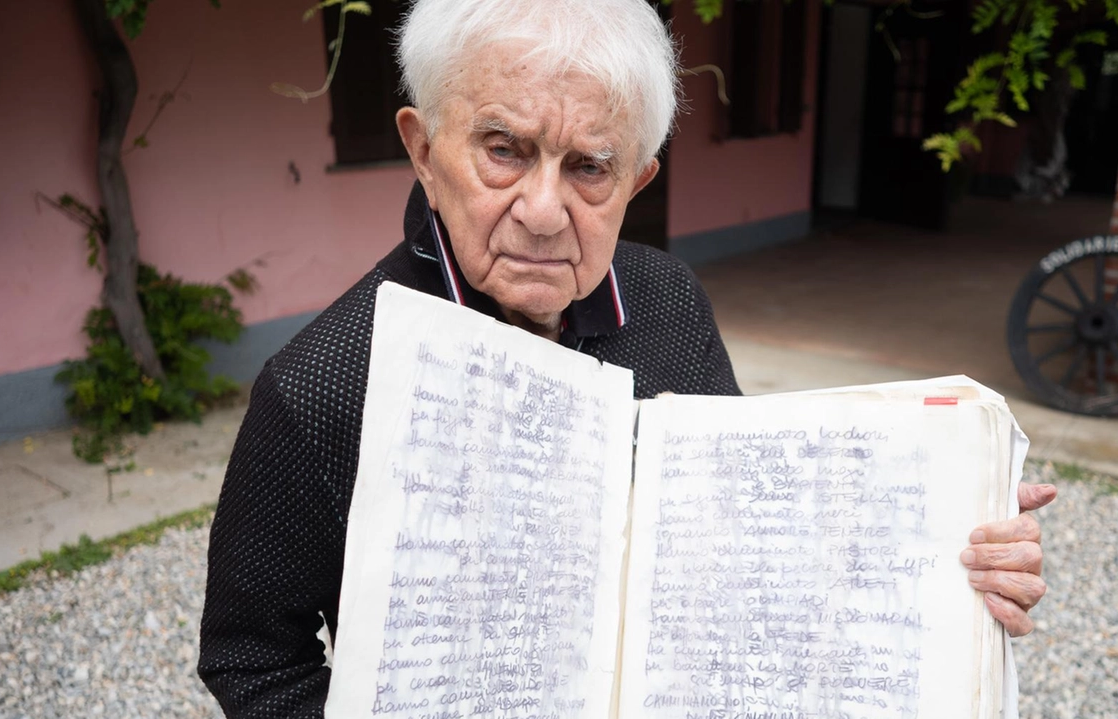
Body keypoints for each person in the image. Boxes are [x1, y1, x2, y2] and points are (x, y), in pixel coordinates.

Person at [197, 0, 1055, 715]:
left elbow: (746, 531)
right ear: (424, 150)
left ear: (637, 181)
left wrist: (950, 533)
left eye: (589, 166)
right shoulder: (325, 381)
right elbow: (251, 656)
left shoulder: (670, 303)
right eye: (504, 148)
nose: (542, 209)